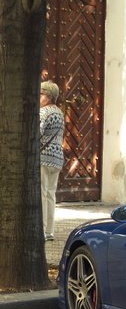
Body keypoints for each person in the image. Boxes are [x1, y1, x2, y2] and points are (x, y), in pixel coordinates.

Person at [40, 81, 64, 241]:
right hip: (56, 158)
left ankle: (41, 230)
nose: (38, 97)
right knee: (50, 194)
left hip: (42, 157)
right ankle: (49, 231)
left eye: (40, 94)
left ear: (48, 97)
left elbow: (37, 132)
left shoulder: (43, 112)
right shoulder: (59, 113)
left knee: (41, 194)